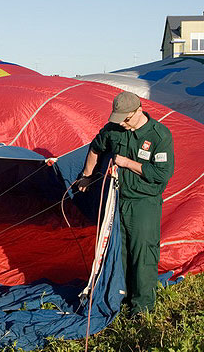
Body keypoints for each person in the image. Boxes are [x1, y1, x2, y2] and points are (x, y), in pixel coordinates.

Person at [78, 91, 174, 317]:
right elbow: (95, 147)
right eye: (118, 118)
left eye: (126, 118)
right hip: (117, 199)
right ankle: (117, 298)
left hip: (144, 203)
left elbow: (161, 174)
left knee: (142, 253)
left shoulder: (159, 135)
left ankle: (142, 308)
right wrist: (86, 175)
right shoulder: (114, 129)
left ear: (138, 110)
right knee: (118, 252)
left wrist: (127, 163)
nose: (122, 123)